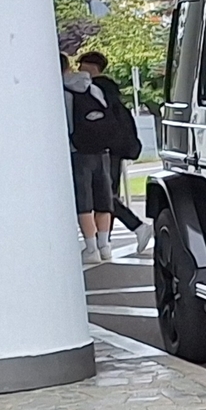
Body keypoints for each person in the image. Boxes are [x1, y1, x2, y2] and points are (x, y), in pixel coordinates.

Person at [63, 52, 131, 263]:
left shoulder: (63, 92)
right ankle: (105, 246)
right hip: (102, 152)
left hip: (78, 152)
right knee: (103, 200)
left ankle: (90, 248)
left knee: (84, 202)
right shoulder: (94, 89)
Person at [73, 51, 145, 239]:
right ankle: (106, 238)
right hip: (116, 147)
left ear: (91, 66)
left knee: (105, 196)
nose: (79, 69)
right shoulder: (111, 90)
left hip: (103, 148)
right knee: (108, 194)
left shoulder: (95, 89)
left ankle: (136, 226)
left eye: (82, 65)